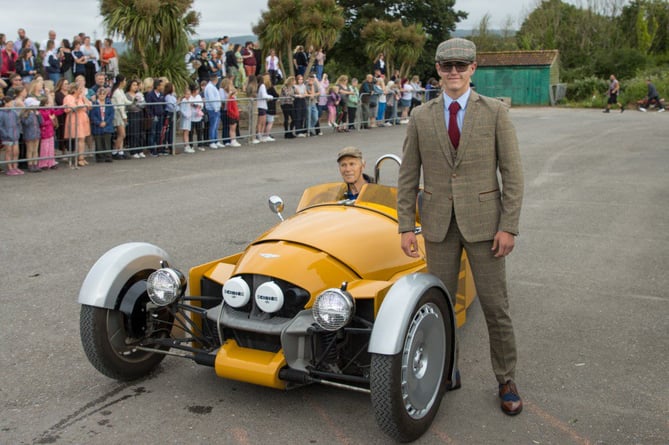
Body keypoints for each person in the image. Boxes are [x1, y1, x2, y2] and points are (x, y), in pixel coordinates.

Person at [397, 38, 525, 417]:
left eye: (461, 65)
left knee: (495, 307)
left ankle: (506, 378)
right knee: (438, 306)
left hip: (487, 227)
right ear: (437, 70)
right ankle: (445, 369)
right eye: (446, 66)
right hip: (437, 226)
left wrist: (509, 226)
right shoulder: (421, 116)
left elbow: (512, 175)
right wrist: (406, 224)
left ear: (473, 69)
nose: (453, 72)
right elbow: (407, 175)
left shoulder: (496, 113)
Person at [89, 87, 115, 163]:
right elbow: (92, 116)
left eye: (104, 93)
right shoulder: (94, 104)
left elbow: (111, 115)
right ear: (97, 94)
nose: (102, 95)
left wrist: (106, 122)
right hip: (97, 126)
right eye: (100, 94)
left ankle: (108, 156)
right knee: (98, 142)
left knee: (107, 142)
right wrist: (99, 122)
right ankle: (100, 157)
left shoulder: (109, 103)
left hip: (107, 126)